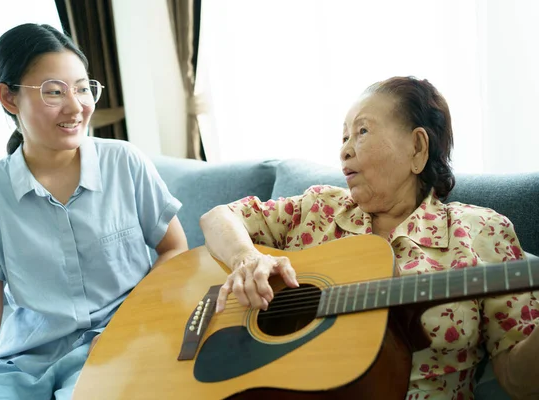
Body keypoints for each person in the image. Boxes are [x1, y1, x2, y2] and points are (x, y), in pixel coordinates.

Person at [200, 76, 539, 399]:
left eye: (361, 131)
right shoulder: (319, 207)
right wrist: (245, 257)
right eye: (343, 137)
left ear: (418, 148)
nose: (344, 150)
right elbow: (218, 217)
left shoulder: (483, 232)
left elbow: (518, 384)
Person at [0, 23, 188, 400]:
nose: (76, 107)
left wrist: (137, 320)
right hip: (26, 360)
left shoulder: (125, 163)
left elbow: (173, 248)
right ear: (9, 99)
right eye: (55, 92)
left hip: (118, 343)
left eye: (82, 88)